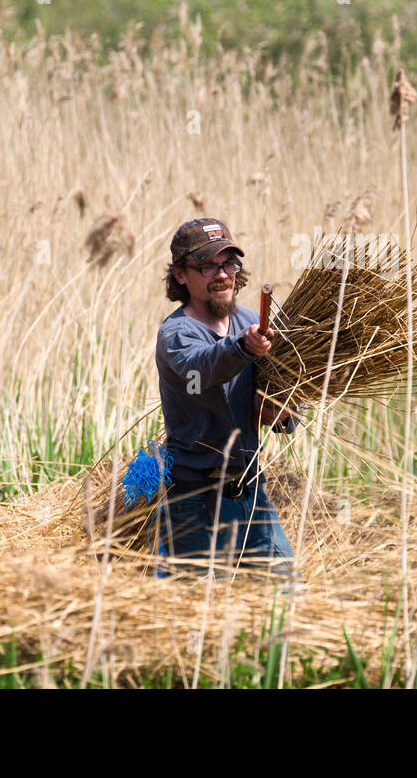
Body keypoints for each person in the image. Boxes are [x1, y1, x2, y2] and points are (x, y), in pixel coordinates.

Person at [154, 217, 301, 578]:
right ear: (180, 275)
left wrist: (280, 411)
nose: (222, 274)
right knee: (201, 615)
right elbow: (201, 370)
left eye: (229, 263)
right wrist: (243, 348)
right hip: (193, 500)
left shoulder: (251, 320)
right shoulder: (177, 334)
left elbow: (285, 402)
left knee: (284, 598)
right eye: (207, 266)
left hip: (250, 493)